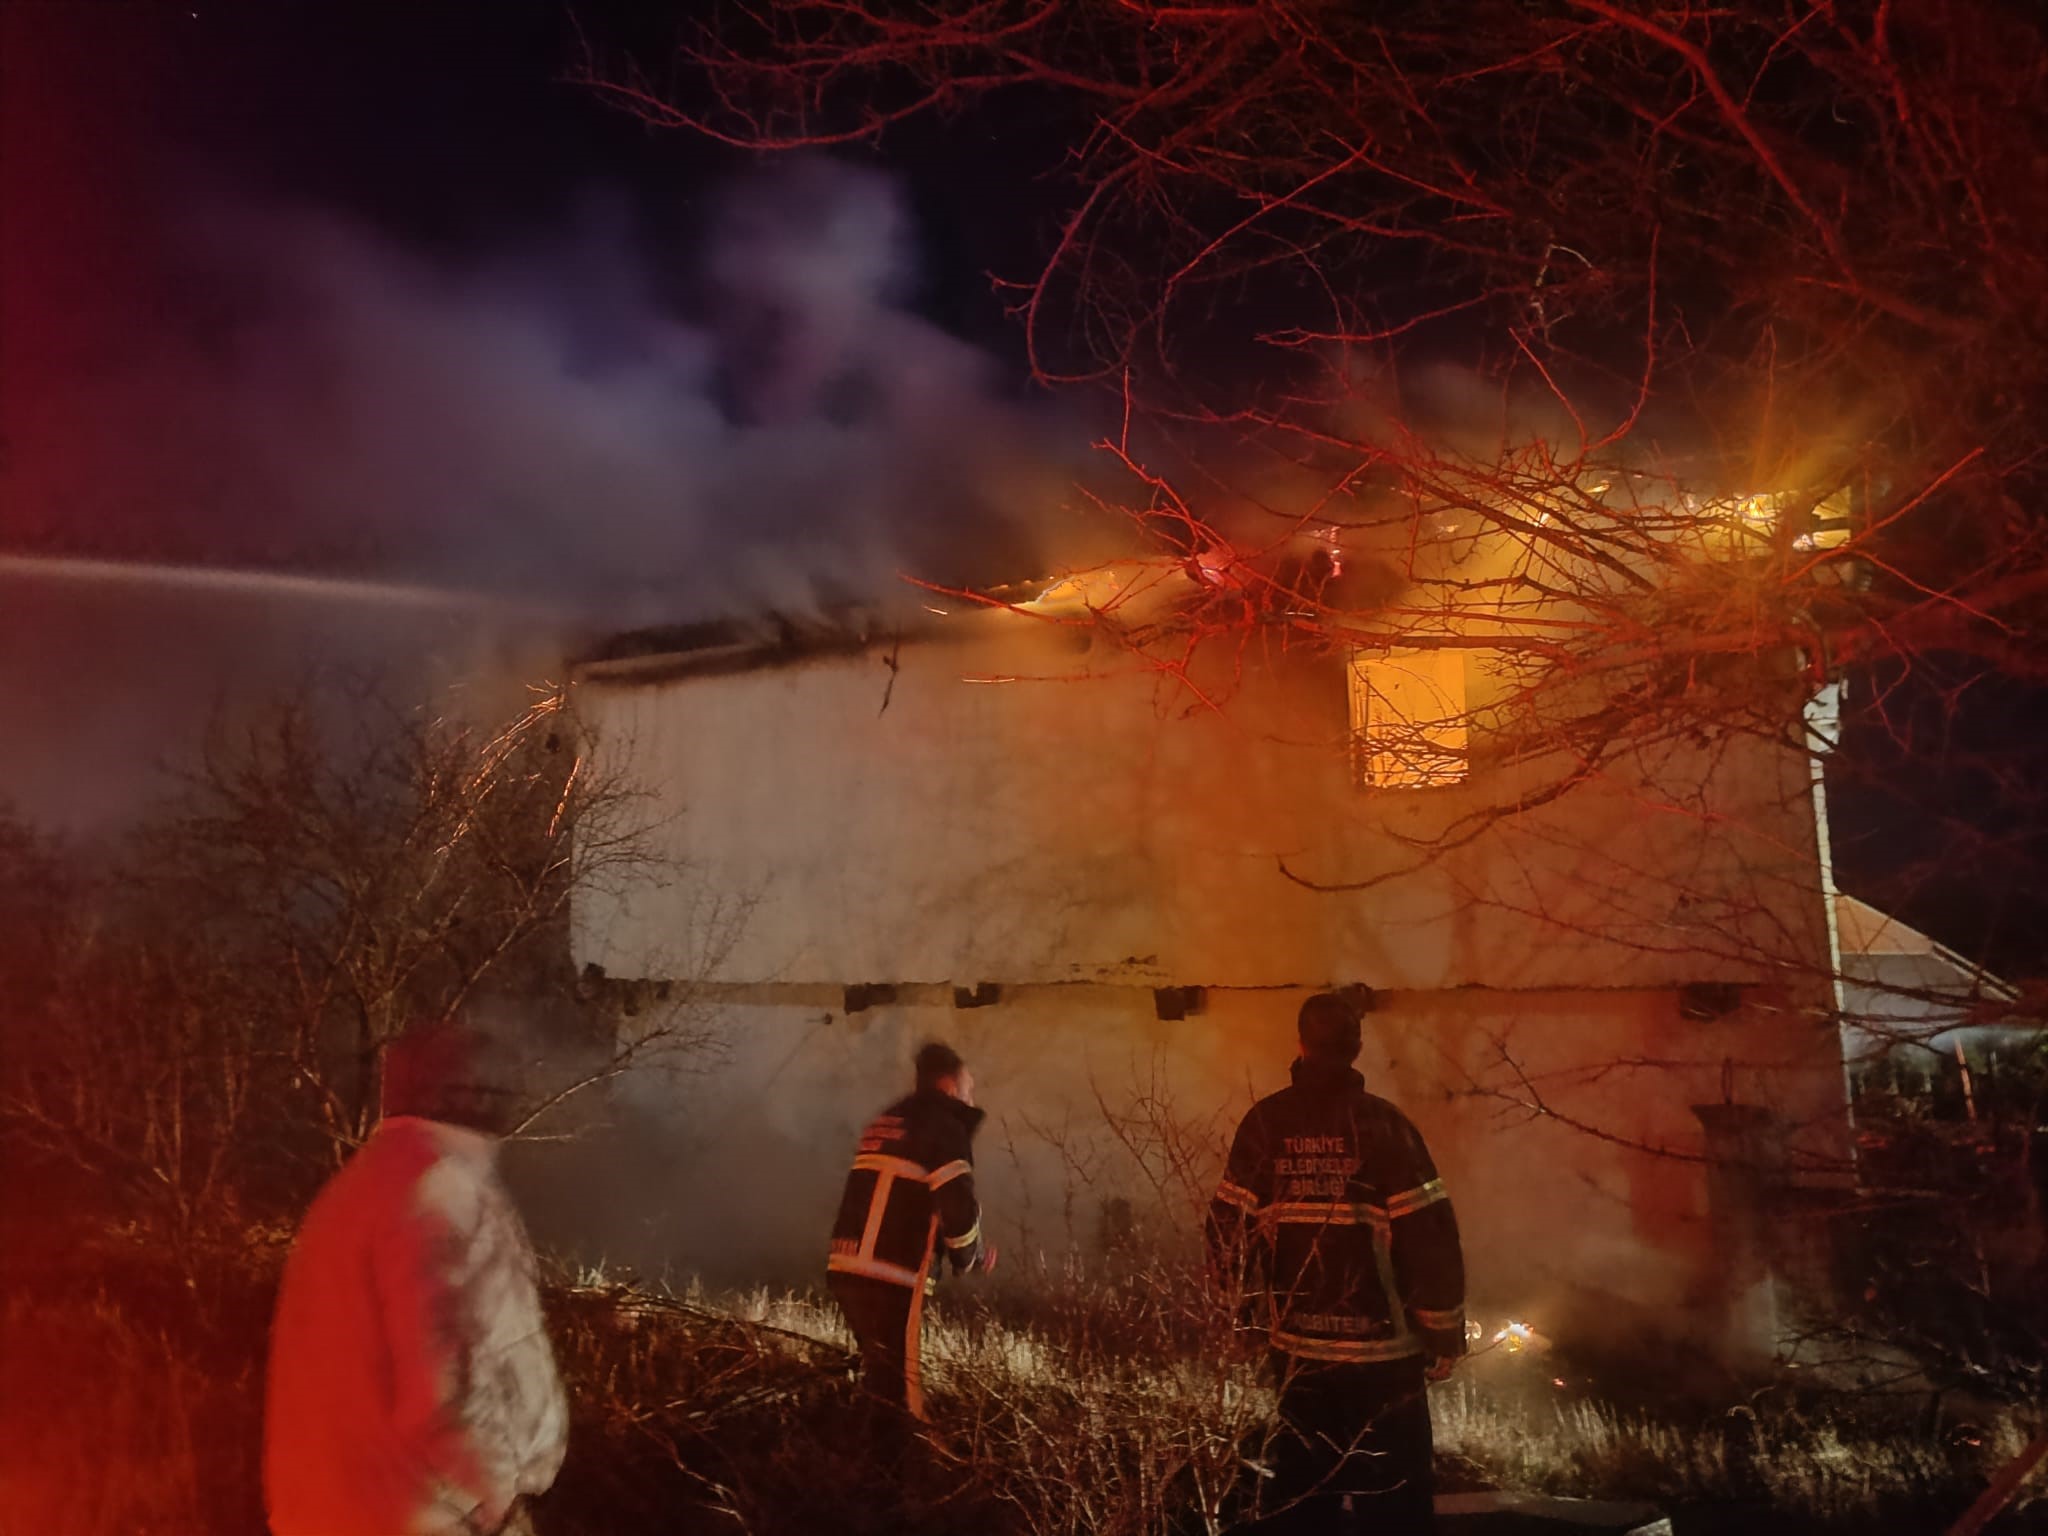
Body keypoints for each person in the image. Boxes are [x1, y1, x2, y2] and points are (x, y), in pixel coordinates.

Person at [265, 1016, 568, 1536]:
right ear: (476, 1093)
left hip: (319, 1511)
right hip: (424, 1516)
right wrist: (498, 1497)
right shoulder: (445, 1193)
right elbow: (451, 1371)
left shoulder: (355, 1188)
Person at [1207, 992, 1466, 1535]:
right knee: (1394, 1505)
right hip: (1384, 1362)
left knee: (1302, 1502)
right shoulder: (1387, 1128)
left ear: (1300, 1044)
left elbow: (1228, 1232)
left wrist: (1248, 1321)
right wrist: (1443, 1332)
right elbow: (1429, 1235)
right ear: (1357, 1047)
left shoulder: (1265, 1124)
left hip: (1300, 1358)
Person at [827, 1040, 995, 1423]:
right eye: (969, 1086)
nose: (972, 1096)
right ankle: (892, 1473)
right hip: (891, 1274)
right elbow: (956, 1204)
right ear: (950, 1086)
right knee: (900, 1397)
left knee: (880, 1379)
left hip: (848, 1267)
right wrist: (970, 1255)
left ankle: (851, 1460)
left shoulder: (891, 1118)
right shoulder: (944, 1125)